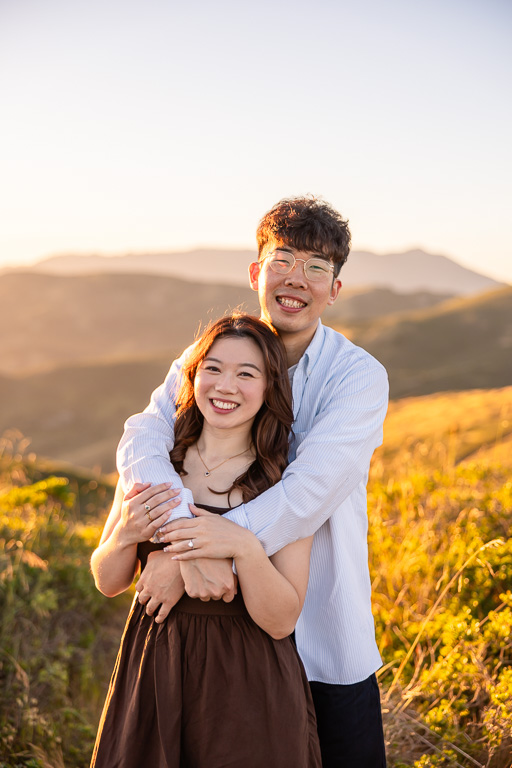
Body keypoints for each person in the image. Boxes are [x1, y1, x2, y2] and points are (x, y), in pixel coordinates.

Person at [117, 196, 389, 767]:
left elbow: (304, 496)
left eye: (317, 267)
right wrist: (181, 548)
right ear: (256, 272)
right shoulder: (208, 356)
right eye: (283, 258)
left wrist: (189, 551)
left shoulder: (357, 378)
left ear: (335, 289)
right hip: (222, 652)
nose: (297, 278)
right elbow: (143, 435)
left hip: (320, 636)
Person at [90, 313, 322, 767]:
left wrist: (243, 547)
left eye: (246, 374)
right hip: (156, 665)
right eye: (213, 368)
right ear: (193, 376)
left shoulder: (283, 486)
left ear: (270, 386)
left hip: (248, 683)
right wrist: (125, 537)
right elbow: (107, 579)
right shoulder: (154, 465)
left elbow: (281, 621)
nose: (225, 386)